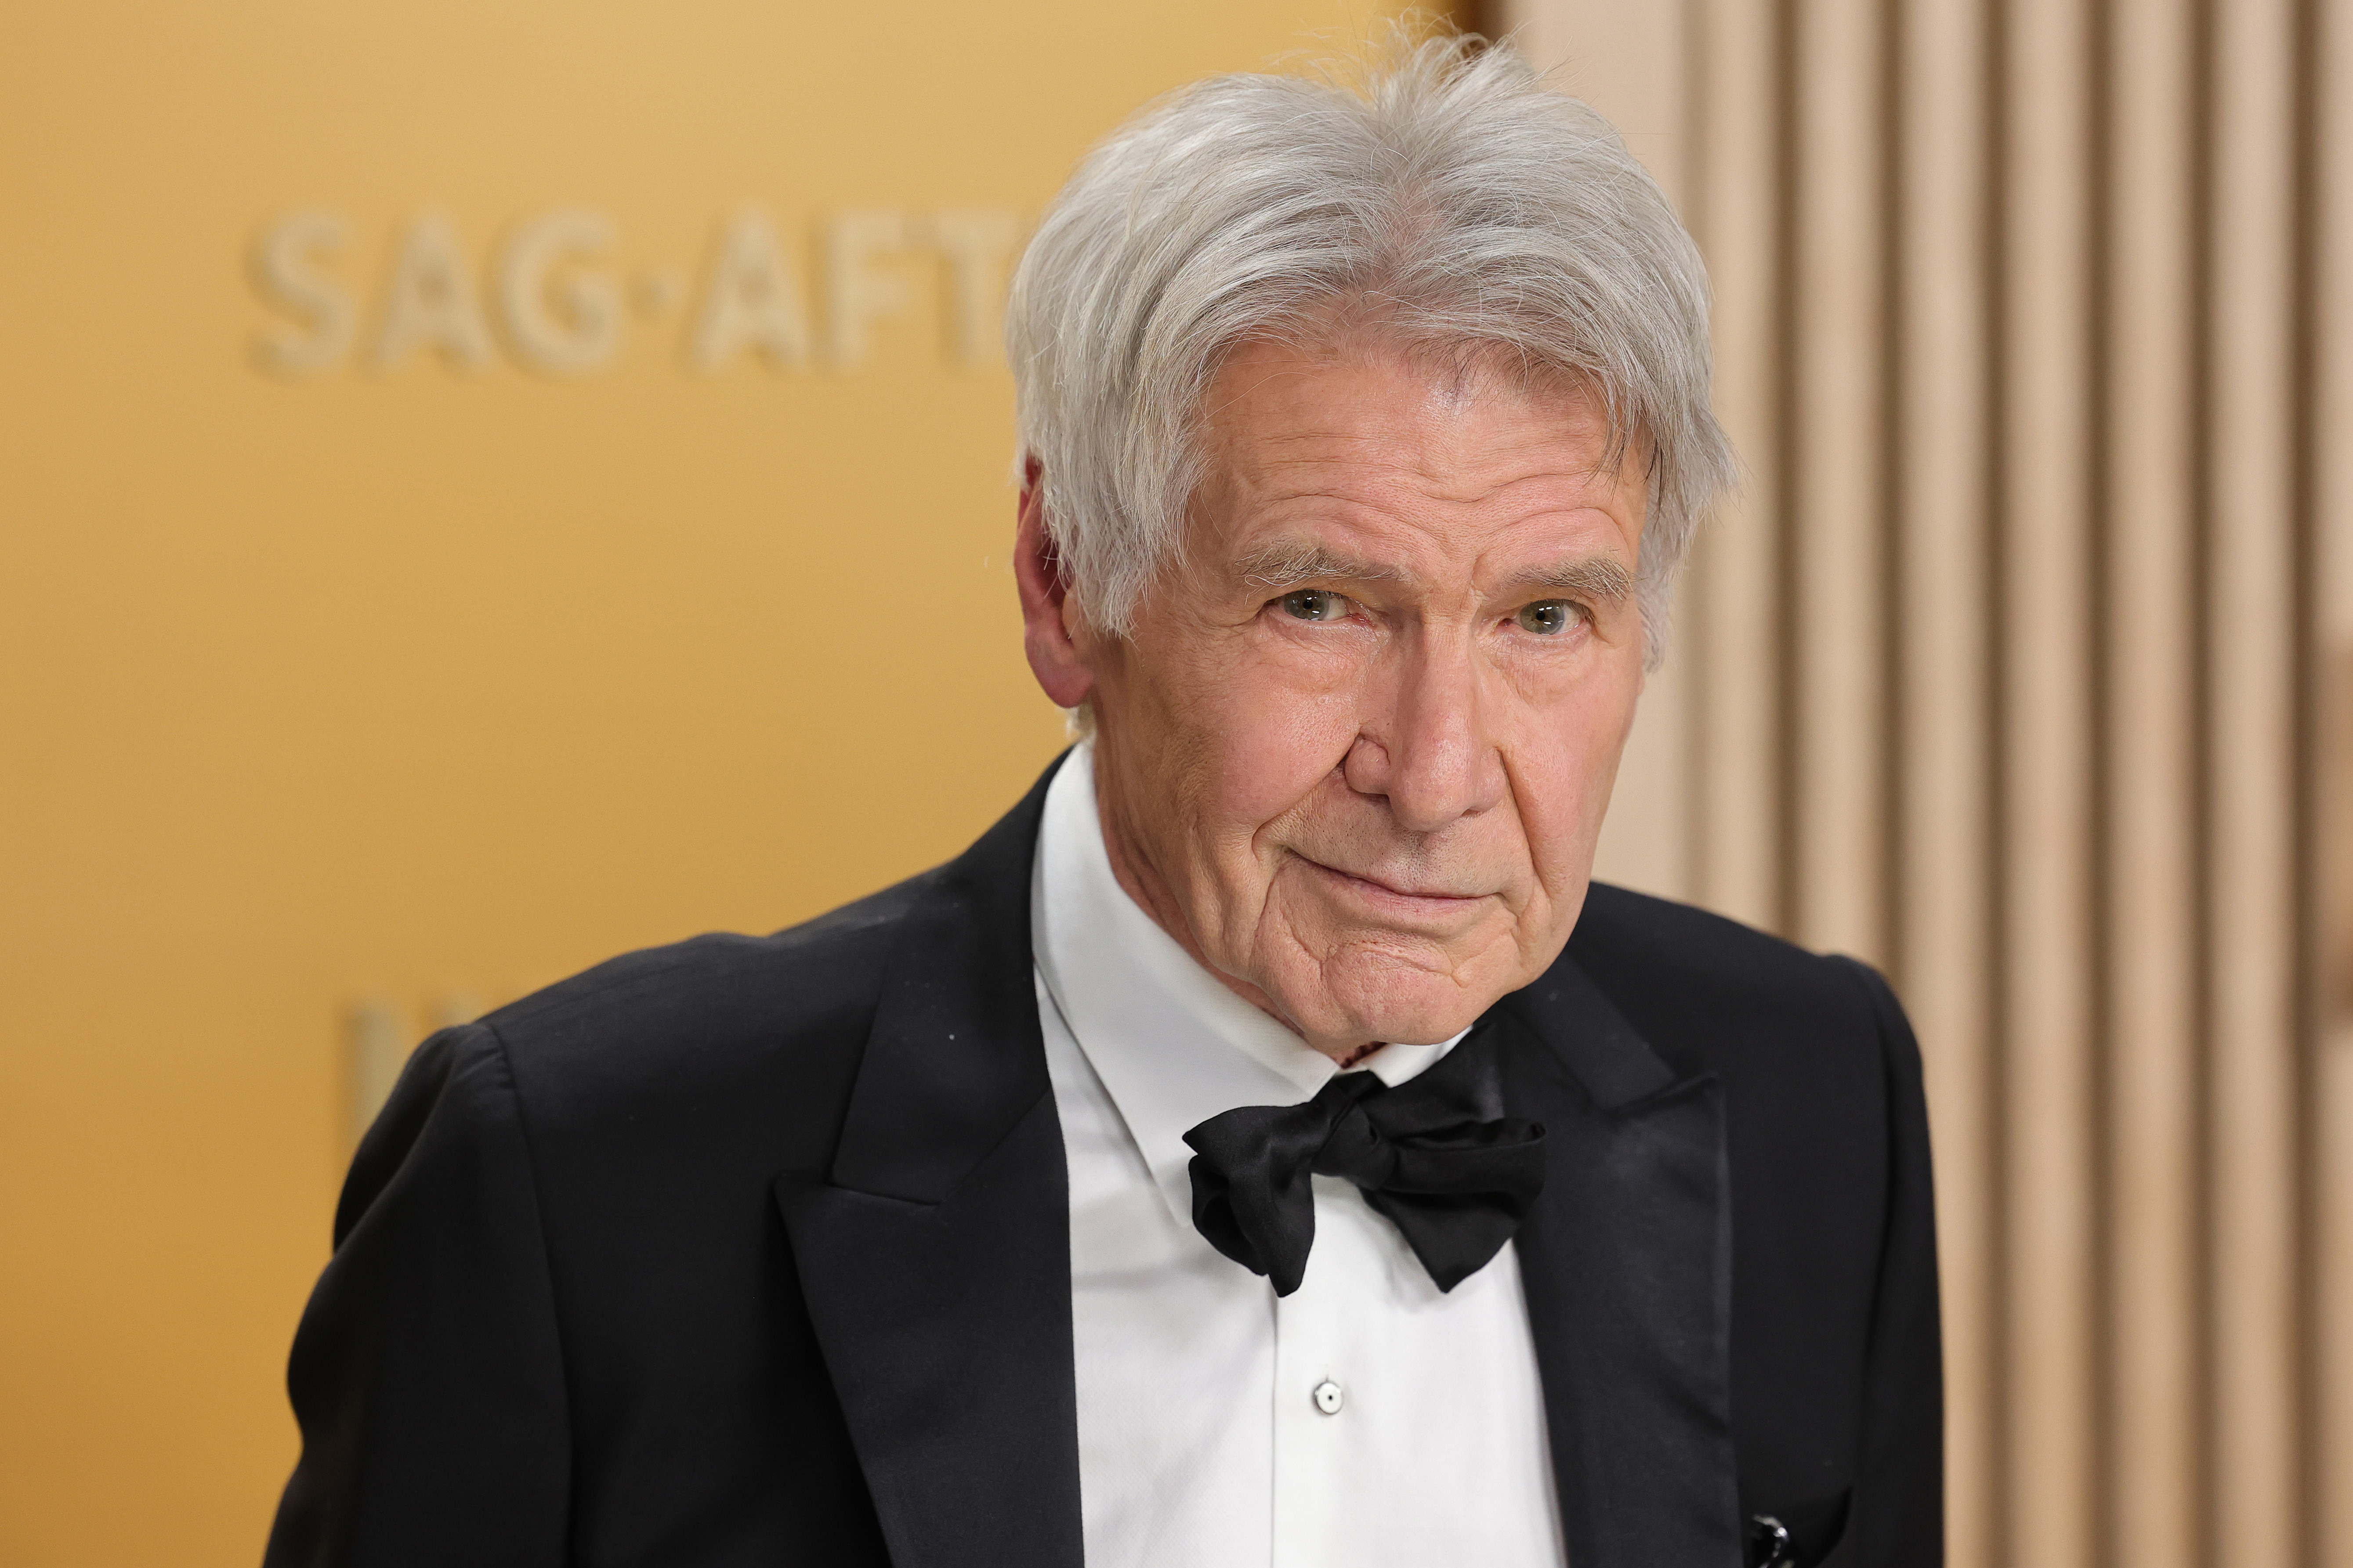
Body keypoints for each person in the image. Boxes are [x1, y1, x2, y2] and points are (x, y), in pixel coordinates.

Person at [263, 32, 1940, 1568]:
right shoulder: (572, 1182)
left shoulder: (1811, 1095)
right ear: (1067, 585)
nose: (1436, 775)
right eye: (1319, 605)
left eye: (1544, 619)